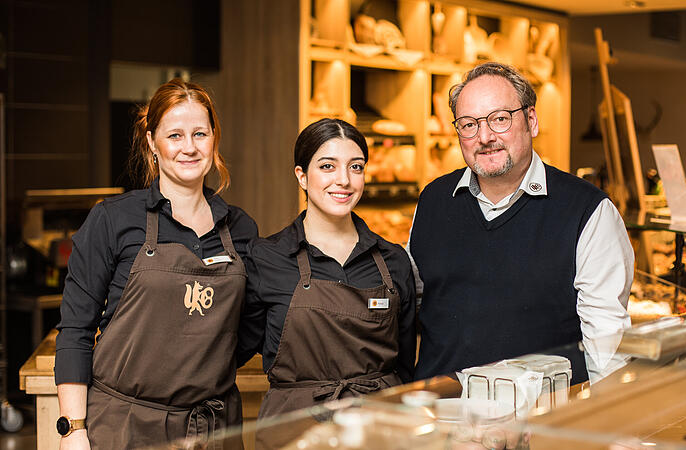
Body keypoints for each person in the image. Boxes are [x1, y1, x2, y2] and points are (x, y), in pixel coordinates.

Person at [54, 78, 258, 449]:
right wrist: (74, 430)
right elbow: (75, 331)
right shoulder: (112, 220)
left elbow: (244, 330)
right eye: (175, 135)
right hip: (126, 427)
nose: (190, 148)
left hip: (215, 429)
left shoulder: (241, 229)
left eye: (200, 134)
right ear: (152, 143)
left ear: (214, 140)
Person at [408, 62, 633, 384]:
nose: (484, 137)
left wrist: (603, 420)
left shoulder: (588, 210)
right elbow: (412, 304)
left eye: (500, 119)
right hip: (444, 414)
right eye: (469, 124)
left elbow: (606, 342)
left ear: (531, 120)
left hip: (542, 419)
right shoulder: (434, 199)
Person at [238, 118, 416, 418]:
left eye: (355, 167)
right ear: (302, 176)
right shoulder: (266, 258)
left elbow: (406, 366)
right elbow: (235, 350)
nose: (344, 180)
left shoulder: (393, 261)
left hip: (378, 429)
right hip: (294, 431)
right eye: (327, 166)